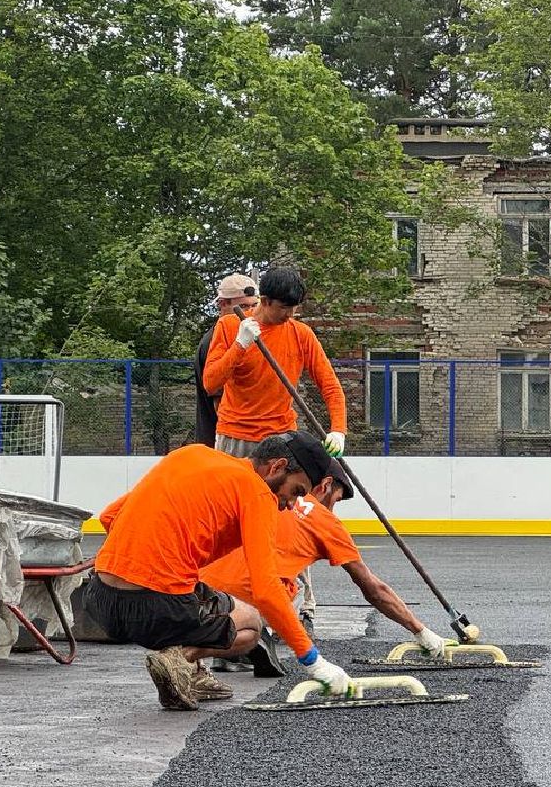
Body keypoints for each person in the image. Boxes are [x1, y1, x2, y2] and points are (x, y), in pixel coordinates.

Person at [83, 431, 356, 709]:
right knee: (251, 624)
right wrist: (314, 662)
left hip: (100, 600)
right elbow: (265, 589)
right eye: (296, 491)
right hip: (157, 609)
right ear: (277, 467)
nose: (292, 504)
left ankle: (194, 674)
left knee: (198, 589)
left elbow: (109, 516)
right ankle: (180, 661)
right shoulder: (259, 493)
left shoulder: (189, 454)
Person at [200, 455, 452, 673]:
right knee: (296, 588)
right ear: (325, 485)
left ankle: (221, 648)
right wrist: (420, 631)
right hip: (249, 599)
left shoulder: (269, 495)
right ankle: (246, 638)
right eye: (336, 500)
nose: (333, 509)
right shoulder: (327, 523)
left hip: (200, 591)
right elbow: (373, 589)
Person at [202, 266, 347, 461]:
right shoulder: (229, 326)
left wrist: (338, 430)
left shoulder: (301, 334)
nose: (290, 314)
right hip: (236, 436)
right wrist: (239, 345)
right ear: (265, 301)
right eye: (284, 307)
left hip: (282, 438)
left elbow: (330, 385)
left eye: (294, 307)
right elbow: (210, 383)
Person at [194, 273, 260, 447]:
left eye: (255, 305)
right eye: (243, 306)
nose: (250, 313)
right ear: (223, 304)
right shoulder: (215, 341)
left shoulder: (241, 336)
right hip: (225, 440)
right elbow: (219, 400)